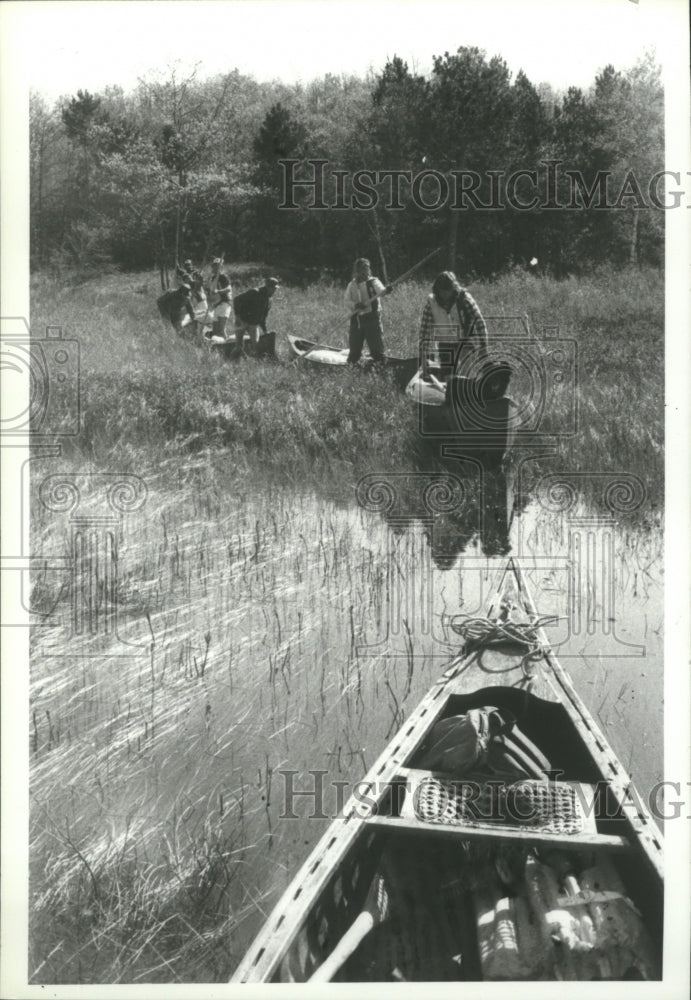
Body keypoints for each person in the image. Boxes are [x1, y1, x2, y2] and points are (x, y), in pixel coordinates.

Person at [418, 270, 488, 379]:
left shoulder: (464, 299)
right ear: (437, 290)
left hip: (465, 340)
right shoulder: (432, 304)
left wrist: (484, 345)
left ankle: (465, 391)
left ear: (453, 288)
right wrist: (423, 358)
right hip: (445, 343)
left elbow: (478, 320)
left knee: (465, 375)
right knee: (449, 377)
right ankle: (451, 392)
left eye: (447, 291)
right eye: (442, 291)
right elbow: (425, 331)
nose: (444, 294)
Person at [344, 258, 392, 364]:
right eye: (362, 268)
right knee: (354, 351)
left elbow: (381, 291)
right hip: (356, 320)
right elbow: (347, 300)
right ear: (357, 270)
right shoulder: (351, 285)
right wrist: (355, 305)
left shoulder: (374, 282)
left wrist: (387, 290)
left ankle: (381, 365)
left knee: (376, 350)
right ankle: (352, 367)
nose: (365, 271)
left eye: (367, 268)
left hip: (372, 318)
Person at [232, 277, 280, 356]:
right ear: (267, 287)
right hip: (242, 321)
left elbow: (263, 317)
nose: (274, 291)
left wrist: (265, 331)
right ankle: (230, 360)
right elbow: (236, 300)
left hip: (253, 324)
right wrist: (237, 317)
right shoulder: (254, 292)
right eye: (273, 288)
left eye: (275, 289)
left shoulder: (269, 300)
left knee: (256, 347)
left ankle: (253, 363)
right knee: (239, 347)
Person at [207, 257, 233, 340]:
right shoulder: (213, 278)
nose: (215, 268)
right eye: (214, 266)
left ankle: (228, 343)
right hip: (216, 305)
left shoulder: (223, 277)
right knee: (215, 331)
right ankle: (218, 346)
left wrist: (218, 291)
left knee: (221, 329)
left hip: (224, 304)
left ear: (220, 267)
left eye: (217, 266)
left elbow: (229, 288)